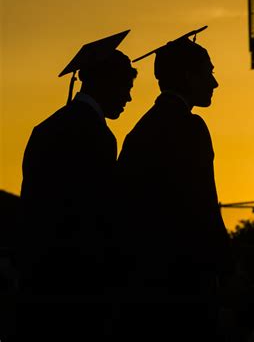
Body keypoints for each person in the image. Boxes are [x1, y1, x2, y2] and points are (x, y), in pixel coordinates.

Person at [19, 30, 137, 340]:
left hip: (39, 276)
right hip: (79, 280)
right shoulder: (97, 136)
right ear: (104, 83)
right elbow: (97, 214)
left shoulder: (45, 128)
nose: (128, 98)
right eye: (125, 87)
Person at [116, 26, 231, 340]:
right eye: (207, 72)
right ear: (186, 76)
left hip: (142, 282)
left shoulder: (139, 131)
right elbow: (203, 204)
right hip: (185, 280)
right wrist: (225, 263)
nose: (214, 82)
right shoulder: (190, 127)